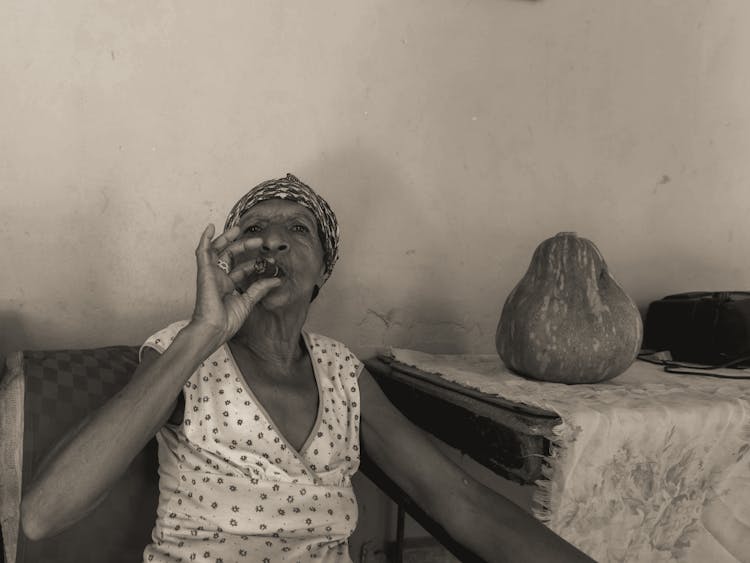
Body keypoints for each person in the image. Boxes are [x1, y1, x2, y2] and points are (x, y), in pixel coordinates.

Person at [20, 174, 593, 562]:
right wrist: (203, 333)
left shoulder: (342, 372)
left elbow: (457, 500)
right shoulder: (181, 351)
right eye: (253, 229)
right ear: (230, 258)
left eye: (298, 229)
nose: (273, 238)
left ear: (323, 270)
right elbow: (44, 514)